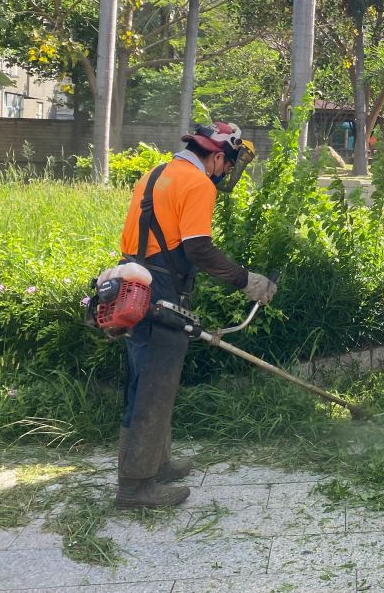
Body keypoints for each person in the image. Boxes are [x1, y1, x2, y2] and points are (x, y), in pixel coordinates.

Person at [115, 122, 276, 510]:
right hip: (163, 285)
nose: (224, 173)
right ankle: (135, 487)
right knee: (154, 385)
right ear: (217, 155)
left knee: (147, 377)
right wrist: (247, 281)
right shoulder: (198, 183)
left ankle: (156, 462)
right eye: (227, 164)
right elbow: (199, 249)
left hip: (133, 277)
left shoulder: (157, 173)